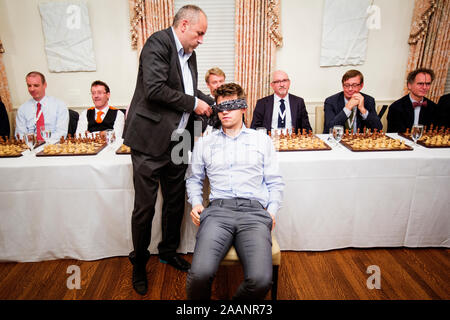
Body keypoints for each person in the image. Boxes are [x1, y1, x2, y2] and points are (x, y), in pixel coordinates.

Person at [123, 5, 213, 295]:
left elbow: (186, 89)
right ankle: (139, 262)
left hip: (180, 140)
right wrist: (193, 104)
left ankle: (168, 251)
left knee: (176, 201)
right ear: (184, 25)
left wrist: (211, 100)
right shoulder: (157, 43)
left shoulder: (192, 55)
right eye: (199, 33)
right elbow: (155, 89)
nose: (201, 40)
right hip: (149, 141)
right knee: (145, 207)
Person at [186, 83, 284, 300]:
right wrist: (196, 203)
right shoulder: (205, 143)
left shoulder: (261, 140)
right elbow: (194, 179)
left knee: (260, 280)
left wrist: (272, 210)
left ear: (243, 108)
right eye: (221, 107)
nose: (225, 112)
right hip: (218, 212)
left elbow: (275, 182)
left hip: (254, 213)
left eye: (231, 106)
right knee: (199, 275)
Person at [323, 69, 382, 134]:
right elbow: (328, 130)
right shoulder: (331, 101)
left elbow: (378, 129)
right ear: (343, 85)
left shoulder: (368, 100)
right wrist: (347, 108)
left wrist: (363, 110)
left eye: (354, 85)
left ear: (361, 86)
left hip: (359, 141)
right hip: (338, 140)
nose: (350, 89)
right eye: (347, 85)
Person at [15, 71, 68, 141]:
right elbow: (20, 135)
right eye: (29, 86)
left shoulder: (59, 105)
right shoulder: (22, 109)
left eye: (36, 85)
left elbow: (61, 134)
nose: (32, 89)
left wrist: (43, 142)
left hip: (53, 147)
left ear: (45, 85)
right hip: (30, 147)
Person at [387, 68, 438, 133]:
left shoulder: (433, 107)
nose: (424, 87)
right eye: (420, 84)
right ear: (409, 85)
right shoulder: (396, 107)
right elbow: (395, 134)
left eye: (428, 84)